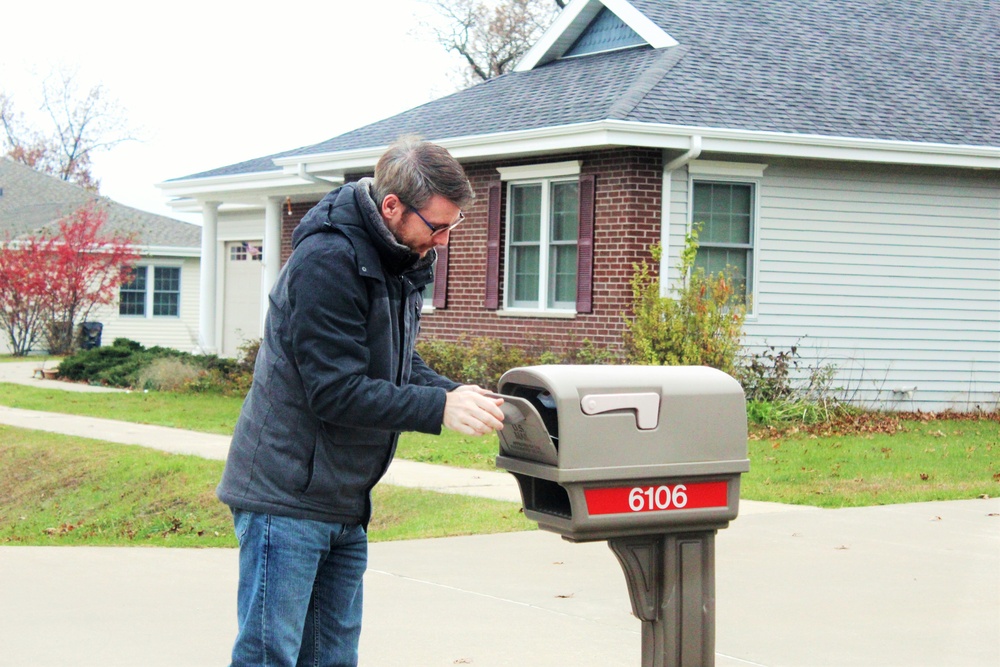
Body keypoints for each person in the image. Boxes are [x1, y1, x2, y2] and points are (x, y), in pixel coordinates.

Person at [216, 137, 506, 667]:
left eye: (452, 226)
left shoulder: (397, 260)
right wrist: (439, 411)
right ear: (391, 206)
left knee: (332, 658)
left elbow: (397, 368)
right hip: (286, 498)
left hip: (345, 502)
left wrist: (460, 395)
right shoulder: (327, 260)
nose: (442, 241)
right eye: (436, 226)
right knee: (268, 657)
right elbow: (335, 390)